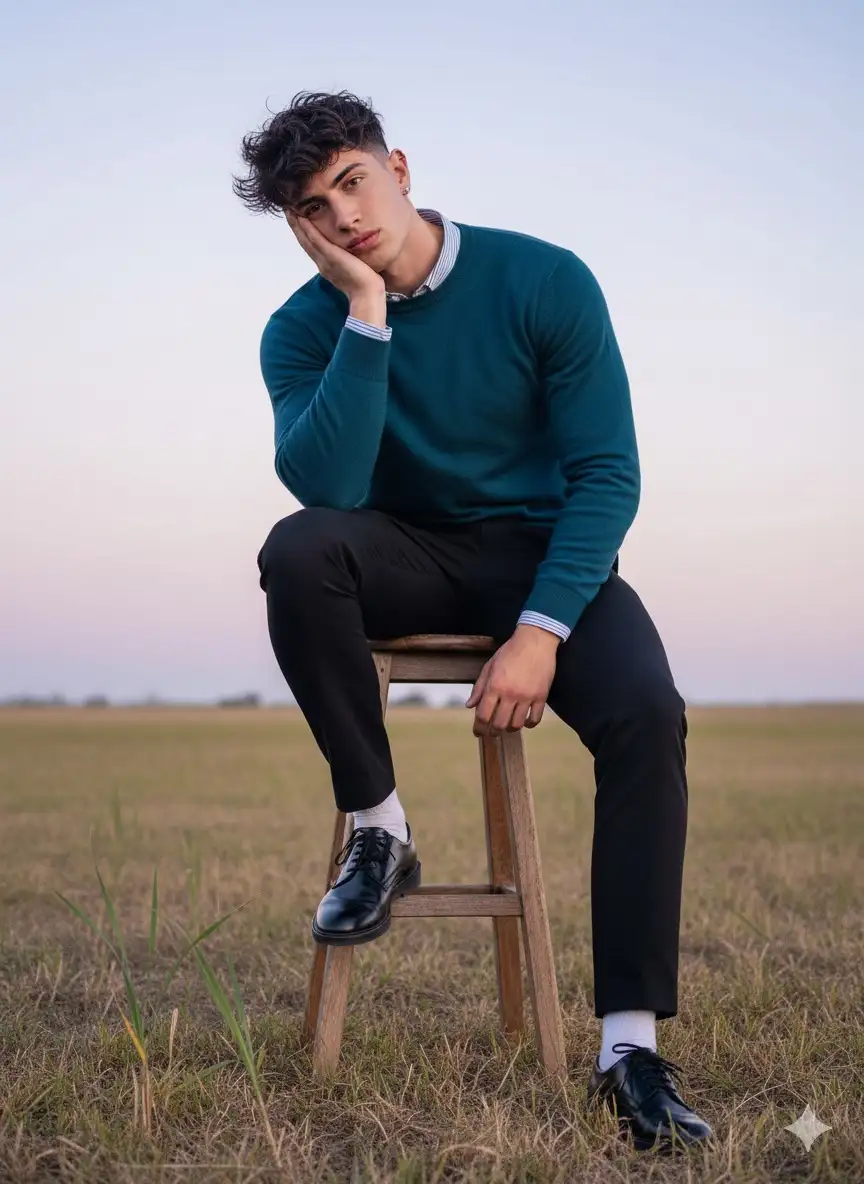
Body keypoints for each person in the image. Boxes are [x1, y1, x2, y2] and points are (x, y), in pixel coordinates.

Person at [234, 90, 711, 1150]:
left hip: (542, 554)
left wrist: (540, 629)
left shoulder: (544, 279)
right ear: (299, 230)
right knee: (296, 550)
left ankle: (629, 1044)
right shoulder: (301, 331)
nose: (345, 214)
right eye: (314, 209)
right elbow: (330, 489)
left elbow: (607, 474)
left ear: (399, 166)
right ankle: (381, 826)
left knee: (646, 716)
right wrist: (365, 313)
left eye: (353, 181)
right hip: (402, 551)